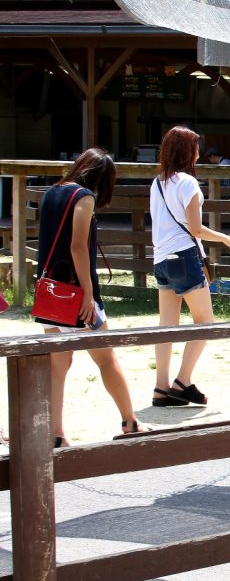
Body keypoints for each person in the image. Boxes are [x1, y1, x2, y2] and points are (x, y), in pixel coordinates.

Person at [34, 148, 148, 445]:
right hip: (76, 296)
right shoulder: (84, 196)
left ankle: (55, 432)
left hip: (49, 293)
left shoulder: (51, 192)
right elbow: (77, 247)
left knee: (58, 363)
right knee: (107, 358)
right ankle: (130, 422)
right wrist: (86, 294)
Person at [150, 126, 230, 407]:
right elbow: (195, 229)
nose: (199, 153)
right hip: (185, 259)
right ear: (188, 152)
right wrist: (224, 237)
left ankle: (160, 388)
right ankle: (182, 381)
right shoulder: (187, 183)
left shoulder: (158, 182)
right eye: (196, 147)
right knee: (205, 322)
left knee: (166, 327)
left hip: (161, 260)